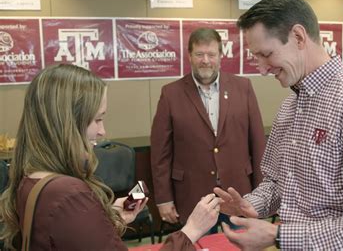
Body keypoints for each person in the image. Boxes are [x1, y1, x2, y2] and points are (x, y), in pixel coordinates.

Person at [214, 0, 343, 250]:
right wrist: (252, 205)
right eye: (255, 57)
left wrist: (277, 235)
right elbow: (278, 183)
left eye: (266, 54)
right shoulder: (290, 107)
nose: (260, 69)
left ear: (299, 37)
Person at [0, 64, 148, 250]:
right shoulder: (69, 194)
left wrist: (106, 217)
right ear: (68, 123)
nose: (102, 131)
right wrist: (190, 231)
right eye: (98, 119)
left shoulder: (31, 179)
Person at [151, 28, 266, 231]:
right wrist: (164, 199)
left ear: (220, 56)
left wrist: (262, 194)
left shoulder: (243, 87)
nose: (205, 60)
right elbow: (160, 154)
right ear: (189, 56)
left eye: (211, 54)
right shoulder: (170, 94)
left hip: (238, 195)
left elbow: (257, 144)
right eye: (199, 54)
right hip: (193, 197)